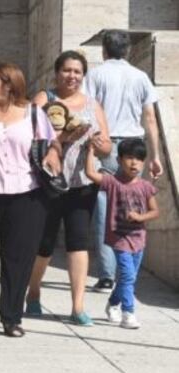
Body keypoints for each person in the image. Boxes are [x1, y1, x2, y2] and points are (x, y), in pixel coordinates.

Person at [0, 63, 61, 337]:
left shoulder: (33, 114)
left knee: (18, 258)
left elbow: (52, 141)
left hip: (27, 195)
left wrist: (54, 154)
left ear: (10, 85)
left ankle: (11, 317)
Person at [27, 51, 112, 325]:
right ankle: (34, 291)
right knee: (45, 244)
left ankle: (77, 306)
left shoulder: (92, 105)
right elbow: (29, 137)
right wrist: (65, 137)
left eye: (77, 71)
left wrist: (101, 147)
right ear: (56, 72)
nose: (72, 76)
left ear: (83, 75)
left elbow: (108, 145)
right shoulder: (44, 100)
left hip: (82, 184)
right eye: (67, 70)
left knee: (79, 242)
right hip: (49, 183)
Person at [84, 30, 162, 292]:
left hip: (106, 142)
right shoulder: (140, 77)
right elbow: (150, 118)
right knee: (133, 205)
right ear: (127, 51)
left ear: (104, 50)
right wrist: (155, 156)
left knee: (106, 206)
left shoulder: (95, 75)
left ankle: (107, 275)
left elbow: (87, 112)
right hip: (135, 145)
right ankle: (129, 265)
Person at [84, 138, 158, 329]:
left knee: (129, 277)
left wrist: (141, 217)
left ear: (143, 163)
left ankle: (112, 304)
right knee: (127, 276)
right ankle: (128, 313)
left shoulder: (146, 186)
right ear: (119, 160)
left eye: (139, 159)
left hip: (138, 239)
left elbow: (155, 211)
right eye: (129, 158)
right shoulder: (112, 182)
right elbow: (91, 173)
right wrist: (91, 150)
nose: (134, 163)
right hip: (119, 238)